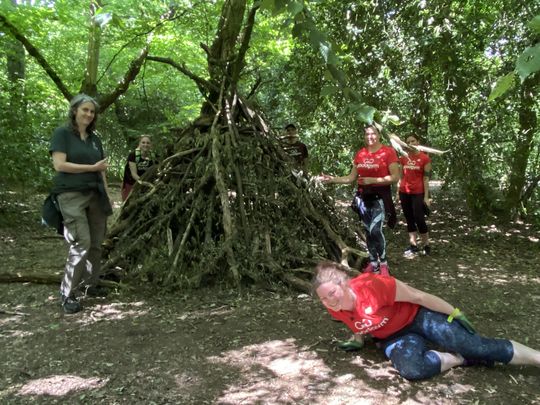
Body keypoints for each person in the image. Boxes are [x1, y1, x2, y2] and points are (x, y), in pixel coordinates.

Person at [313, 261, 540, 381]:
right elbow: (354, 321)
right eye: (323, 298)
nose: (329, 301)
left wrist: (455, 312)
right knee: (412, 369)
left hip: (418, 317)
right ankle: (459, 359)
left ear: (344, 285)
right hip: (395, 337)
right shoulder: (334, 308)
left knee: (475, 345)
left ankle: (536, 358)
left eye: (332, 293)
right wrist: (358, 339)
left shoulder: (373, 286)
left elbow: (418, 296)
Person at [49, 94, 112, 314]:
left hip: (95, 194)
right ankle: (67, 293)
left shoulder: (95, 139)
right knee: (81, 242)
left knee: (96, 242)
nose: (88, 114)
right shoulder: (62, 133)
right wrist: (91, 168)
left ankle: (89, 286)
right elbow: (59, 165)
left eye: (92, 111)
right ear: (74, 110)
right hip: (70, 194)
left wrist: (105, 195)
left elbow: (101, 168)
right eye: (85, 110)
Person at [319, 124, 399, 275]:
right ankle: (373, 263)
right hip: (363, 199)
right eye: (367, 134)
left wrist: (373, 180)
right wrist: (332, 179)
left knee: (375, 230)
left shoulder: (388, 152)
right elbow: (351, 178)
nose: (370, 137)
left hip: (380, 198)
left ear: (379, 135)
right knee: (368, 232)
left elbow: (395, 177)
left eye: (373, 133)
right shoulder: (360, 154)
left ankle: (383, 265)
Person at [396, 134, 432, 256]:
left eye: (413, 141)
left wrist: (426, 197)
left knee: (419, 218)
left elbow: (426, 179)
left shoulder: (425, 158)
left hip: (418, 192)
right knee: (409, 218)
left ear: (418, 142)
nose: (411, 143)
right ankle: (413, 245)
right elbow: (401, 176)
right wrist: (397, 192)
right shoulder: (403, 157)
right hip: (404, 192)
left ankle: (426, 244)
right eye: (408, 142)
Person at [121, 135, 157, 201]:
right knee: (128, 204)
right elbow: (133, 174)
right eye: (143, 142)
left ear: (151, 145)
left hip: (145, 185)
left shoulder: (153, 156)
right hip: (131, 184)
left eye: (148, 143)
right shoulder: (133, 155)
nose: (145, 145)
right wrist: (144, 183)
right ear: (139, 144)